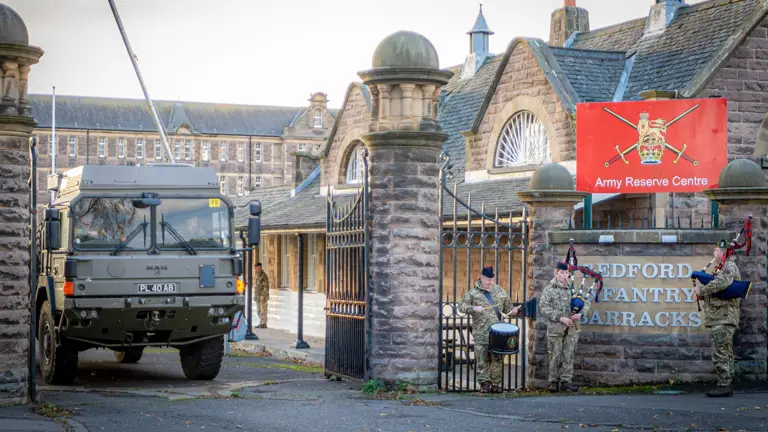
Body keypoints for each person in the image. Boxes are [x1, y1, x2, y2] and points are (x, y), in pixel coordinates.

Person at [457, 266, 521, 393]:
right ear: (481, 277)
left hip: (497, 333)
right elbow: (461, 306)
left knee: (497, 358)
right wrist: (473, 309)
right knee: (482, 358)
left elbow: (508, 309)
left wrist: (514, 311)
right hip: (480, 332)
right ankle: (484, 383)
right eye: (487, 280)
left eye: (491, 280)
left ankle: (496, 384)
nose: (489, 283)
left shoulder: (500, 291)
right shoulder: (473, 293)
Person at [694, 239, 741, 398]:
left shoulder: (729, 267)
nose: (714, 253)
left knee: (720, 352)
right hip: (721, 317)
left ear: (723, 252)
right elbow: (721, 294)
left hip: (724, 318)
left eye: (716, 251)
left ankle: (724, 385)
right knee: (725, 351)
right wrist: (704, 297)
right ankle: (726, 383)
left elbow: (722, 283)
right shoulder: (723, 267)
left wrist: (703, 291)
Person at [539, 261, 591, 393]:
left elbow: (586, 302)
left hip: (572, 328)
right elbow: (544, 308)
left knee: (569, 355)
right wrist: (560, 317)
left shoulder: (573, 289)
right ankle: (554, 381)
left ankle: (566, 381)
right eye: (562, 273)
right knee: (555, 355)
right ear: (556, 273)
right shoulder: (549, 289)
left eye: (567, 273)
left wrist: (580, 314)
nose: (565, 275)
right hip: (556, 328)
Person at [253, 262, 270, 329]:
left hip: (263, 296)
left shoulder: (264, 275)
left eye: (256, 268)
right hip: (257, 296)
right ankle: (260, 322)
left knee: (263, 310)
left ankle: (264, 323)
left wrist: (263, 295)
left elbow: (266, 286)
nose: (255, 269)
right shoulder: (256, 275)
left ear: (260, 267)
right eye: (255, 268)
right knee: (258, 310)